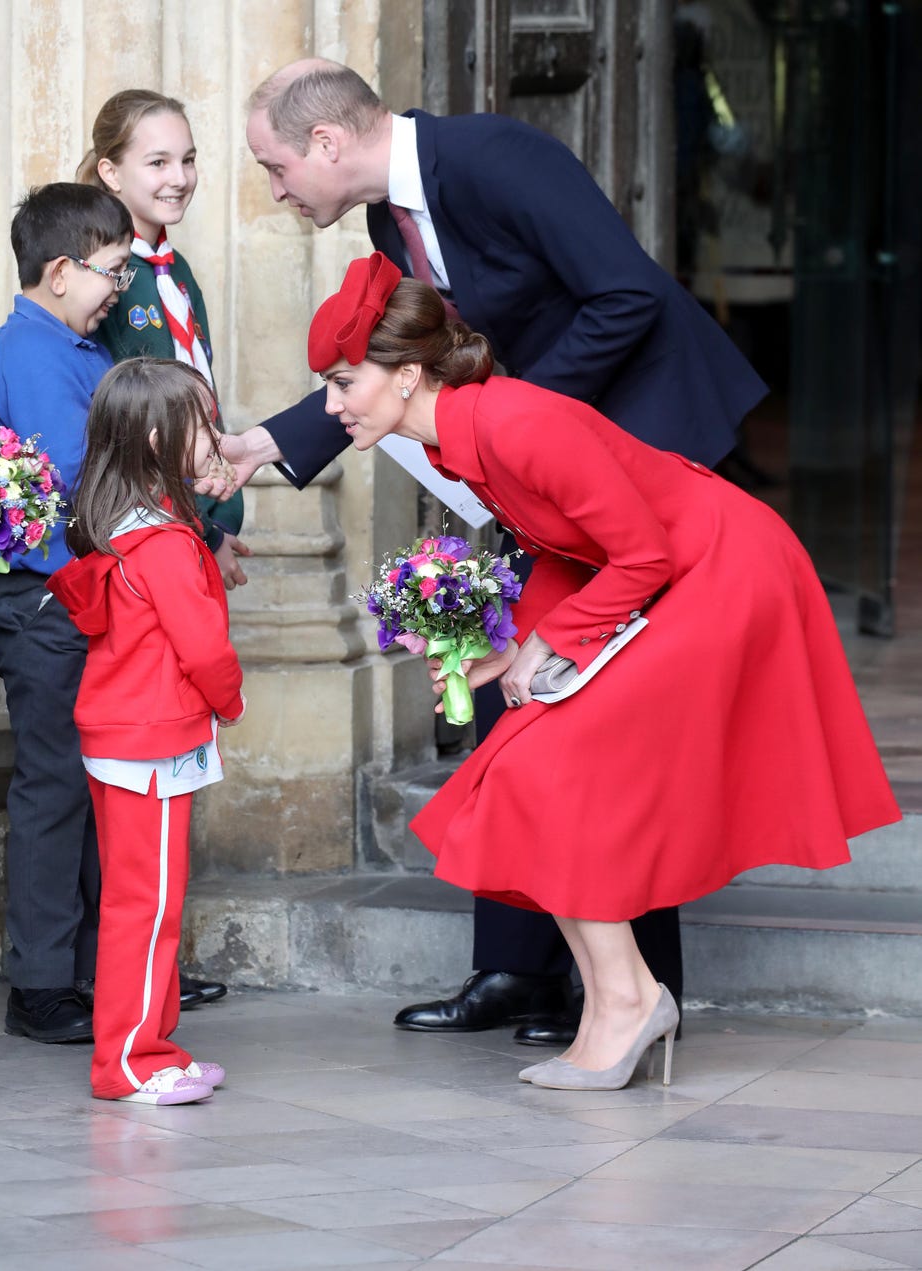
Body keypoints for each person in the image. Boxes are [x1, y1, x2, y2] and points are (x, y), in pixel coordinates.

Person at [214, 58, 769, 1043]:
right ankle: (518, 967)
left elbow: (624, 296)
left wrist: (510, 429)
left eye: (273, 167)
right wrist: (267, 440)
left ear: (326, 146)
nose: (276, 191)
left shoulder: (497, 157)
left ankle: (634, 991)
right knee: (508, 700)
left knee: (604, 722)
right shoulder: (393, 216)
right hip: (556, 475)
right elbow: (387, 366)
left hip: (653, 457)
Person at [306, 253, 901, 1088]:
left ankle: (627, 999)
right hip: (670, 571)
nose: (331, 405)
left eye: (342, 382)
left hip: (727, 571)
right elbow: (563, 547)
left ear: (406, 376)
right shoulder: (461, 439)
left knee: (551, 765)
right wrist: (514, 646)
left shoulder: (516, 422)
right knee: (527, 770)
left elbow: (641, 552)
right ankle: (618, 1001)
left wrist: (556, 645)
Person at [77, 87, 249, 1009]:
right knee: (132, 793)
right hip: (147, 538)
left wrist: (220, 525)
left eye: (187, 158)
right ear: (109, 171)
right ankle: (123, 982)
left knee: (165, 795)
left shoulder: (178, 274)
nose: (179, 177)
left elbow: (201, 394)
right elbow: (121, 419)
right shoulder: (110, 283)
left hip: (191, 523)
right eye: (157, 161)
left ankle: (157, 971)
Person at [47, 358, 246, 1105]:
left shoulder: (134, 523)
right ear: (162, 437)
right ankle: (130, 1061)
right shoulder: (160, 540)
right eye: (205, 423)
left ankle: (155, 1047)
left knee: (147, 902)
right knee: (147, 907)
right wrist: (230, 700)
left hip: (128, 736)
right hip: (152, 743)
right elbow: (202, 648)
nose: (217, 437)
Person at [0, 182, 134, 1043]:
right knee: (53, 784)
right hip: (43, 601)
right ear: (62, 269)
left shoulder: (77, 343)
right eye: (113, 270)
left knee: (83, 781)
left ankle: (95, 969)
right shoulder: (33, 354)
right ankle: (39, 987)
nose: (121, 286)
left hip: (78, 594)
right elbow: (82, 481)